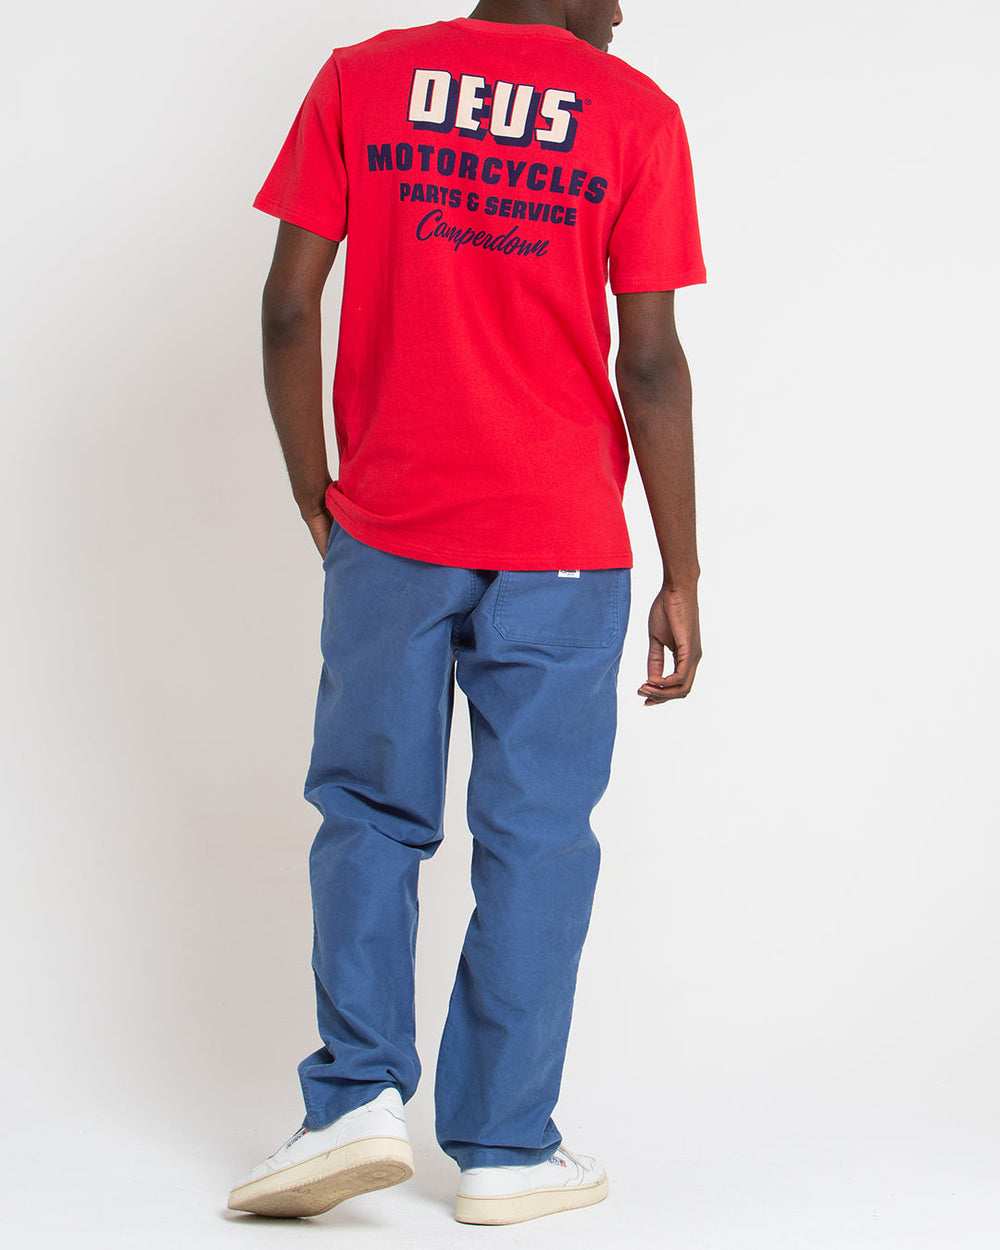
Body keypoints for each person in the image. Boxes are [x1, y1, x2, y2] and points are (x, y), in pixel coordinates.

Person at [228, 0, 706, 1227]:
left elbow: (289, 304)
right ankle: (503, 1145)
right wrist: (683, 569)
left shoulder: (363, 79)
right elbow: (648, 359)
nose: (624, 10)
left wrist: (313, 488)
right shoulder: (636, 116)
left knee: (368, 813)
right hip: (563, 544)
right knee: (536, 837)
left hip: (390, 525)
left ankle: (353, 1098)